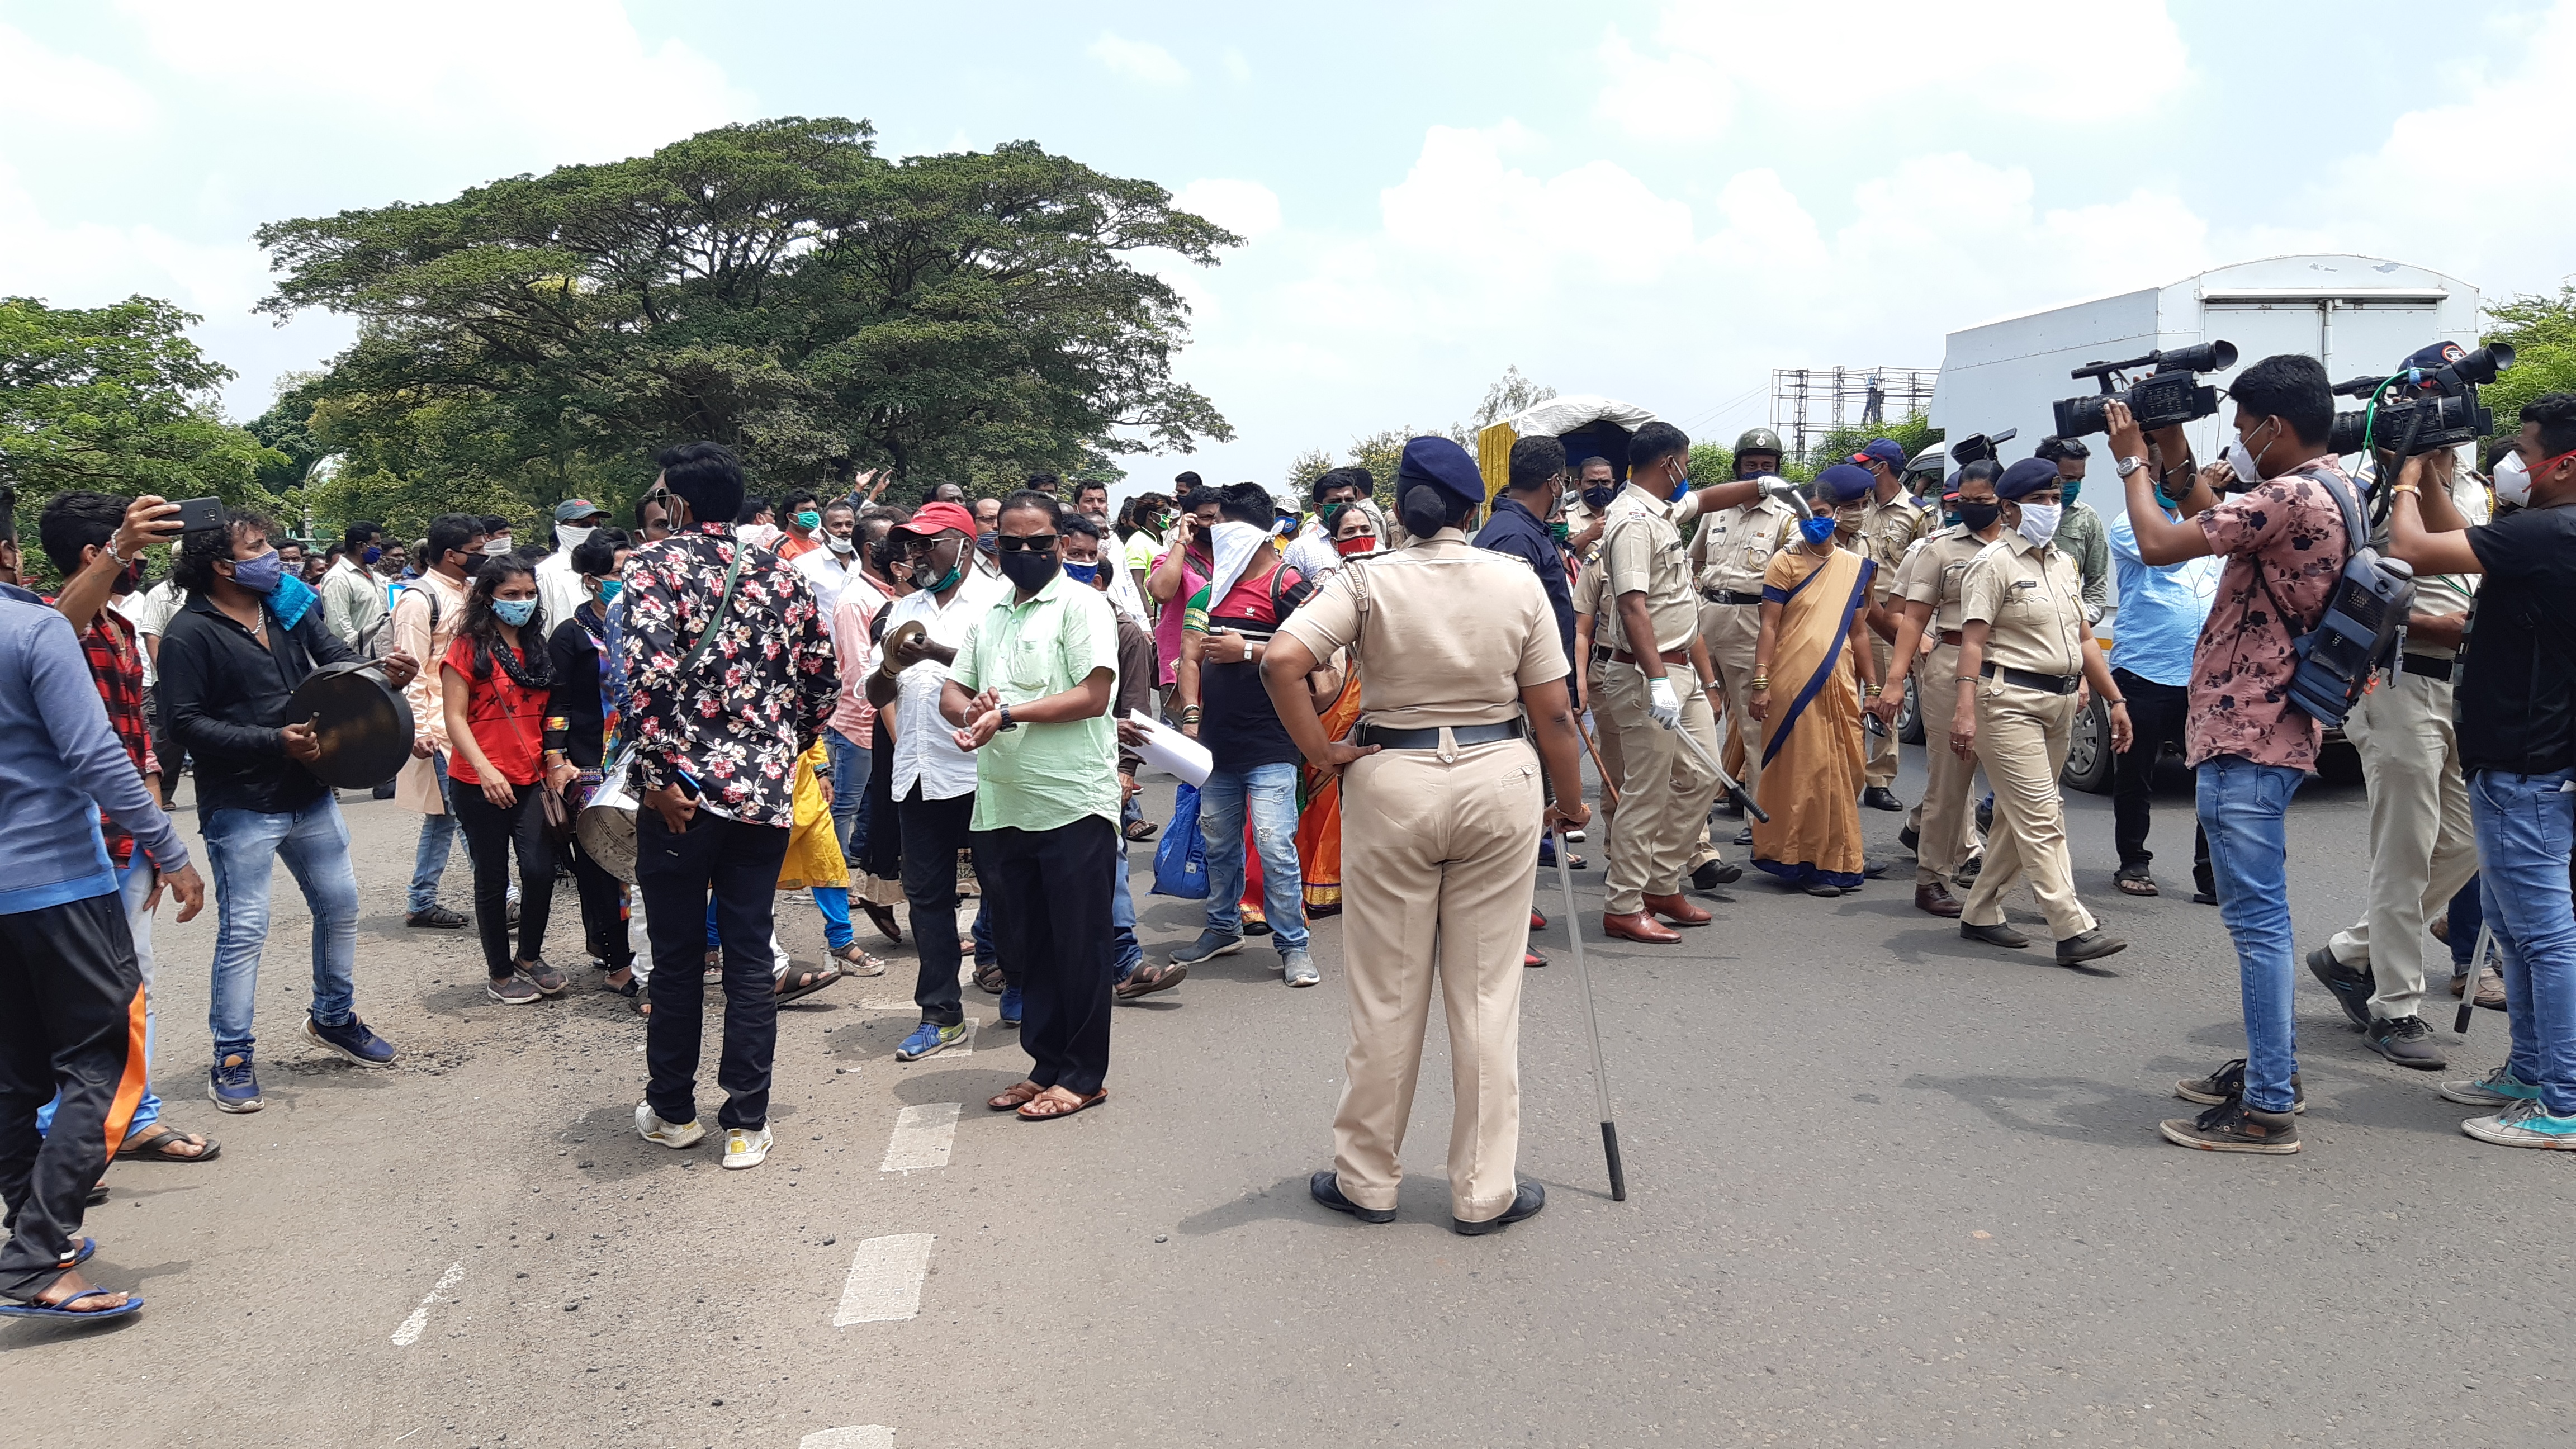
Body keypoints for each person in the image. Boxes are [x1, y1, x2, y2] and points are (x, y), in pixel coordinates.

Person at [1263, 435, 1588, 1235]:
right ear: (1474, 510)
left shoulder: (1365, 579)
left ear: (1399, 509)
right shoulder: (1514, 580)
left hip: (1391, 776)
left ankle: (1367, 1180)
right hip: (1497, 775)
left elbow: (1280, 659)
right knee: (1485, 998)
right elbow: (1552, 710)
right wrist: (1572, 803)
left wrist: (1321, 751)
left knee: (1386, 997)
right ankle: (1485, 1192)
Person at [2118, 358, 2352, 1154]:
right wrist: (2175, 445)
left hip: (2248, 728)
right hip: (2278, 726)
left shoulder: (2288, 495)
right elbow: (2216, 515)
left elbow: (2158, 543)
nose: (2241, 439)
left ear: (2273, 428)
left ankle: (2268, 1105)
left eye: (2244, 425)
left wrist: (2130, 461)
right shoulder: (2332, 487)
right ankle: (2270, 1070)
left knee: (2257, 923)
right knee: (2266, 920)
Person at [0, 542, 205, 1320]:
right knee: (101, 1064)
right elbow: (96, 756)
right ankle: (35, 1263)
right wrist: (171, 849)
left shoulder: (43, 623)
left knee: (16, 1071)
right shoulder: (36, 629)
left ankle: (33, 1237)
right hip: (57, 881)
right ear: (10, 551)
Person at [624, 442, 837, 1171]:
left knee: (679, 955)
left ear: (679, 506)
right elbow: (823, 680)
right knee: (750, 950)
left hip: (678, 795)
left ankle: (674, 1112)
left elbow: (645, 683)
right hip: (763, 793)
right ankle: (747, 1122)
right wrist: (778, 749)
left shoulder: (652, 568)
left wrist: (660, 775)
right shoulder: (785, 574)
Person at [159, 511, 414, 1111]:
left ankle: (333, 1018)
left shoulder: (285, 607)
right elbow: (184, 724)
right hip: (243, 804)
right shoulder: (187, 635)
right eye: (258, 546)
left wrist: (385, 673)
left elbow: (335, 665)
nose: (274, 554)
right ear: (223, 566)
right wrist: (273, 741)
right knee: (245, 930)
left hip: (310, 791)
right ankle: (232, 1054)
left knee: (341, 906)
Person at [2389, 392, 2576, 1148]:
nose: (2515, 463)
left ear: (2565, 464)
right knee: (2514, 927)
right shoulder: (2550, 534)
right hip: (2525, 759)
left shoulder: (2549, 532)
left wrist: (2403, 477)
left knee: (2542, 936)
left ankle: (2562, 1100)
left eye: (2527, 450)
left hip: (2527, 762)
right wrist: (2433, 468)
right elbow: (2457, 533)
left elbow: (2413, 546)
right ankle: (2527, 1074)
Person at [29, 492, 219, 1168]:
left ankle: (130, 1119)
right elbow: (61, 623)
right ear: (95, 554)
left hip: (130, 836)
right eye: (125, 547)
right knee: (72, 994)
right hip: (72, 841)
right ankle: (62, 1137)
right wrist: (121, 550)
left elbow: (138, 742)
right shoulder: (49, 625)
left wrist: (160, 839)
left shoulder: (120, 627)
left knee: (132, 982)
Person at [2305, 427, 2489, 1071]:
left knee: (2468, 843)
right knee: (2405, 853)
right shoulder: (2368, 495)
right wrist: (2422, 623)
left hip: (2467, 690)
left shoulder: (2474, 489)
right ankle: (2395, 1009)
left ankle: (2351, 952)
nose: (2456, 428)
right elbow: (2331, 591)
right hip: (2400, 682)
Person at [940, 491, 1123, 1119]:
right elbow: (954, 689)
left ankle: (1083, 1074)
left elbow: (1094, 694)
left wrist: (1007, 712)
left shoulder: (1083, 606)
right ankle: (1045, 1064)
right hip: (1002, 804)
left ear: (1059, 543)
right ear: (994, 547)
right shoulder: (992, 616)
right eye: (1009, 544)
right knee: (1029, 946)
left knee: (1080, 943)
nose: (1023, 553)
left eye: (1038, 543)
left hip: (1072, 801)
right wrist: (971, 711)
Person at [1948, 458, 2130, 965]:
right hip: (2007, 702)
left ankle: (1981, 911)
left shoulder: (2063, 564)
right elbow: (1972, 642)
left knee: (2016, 814)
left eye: (2055, 499)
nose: (2051, 508)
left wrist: (2114, 698)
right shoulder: (1993, 563)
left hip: (2062, 701)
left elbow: (2085, 638)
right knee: (2043, 815)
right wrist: (1964, 710)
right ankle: (2072, 927)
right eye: (2039, 501)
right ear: (2009, 509)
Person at [869, 500, 1009, 1063]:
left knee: (1005, 886)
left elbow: (1004, 681)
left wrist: (934, 652)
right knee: (927, 898)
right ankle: (940, 1012)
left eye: (930, 542)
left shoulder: (999, 605)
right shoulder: (902, 610)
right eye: (912, 544)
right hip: (920, 773)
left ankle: (1019, 981)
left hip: (984, 771)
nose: (917, 553)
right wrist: (891, 666)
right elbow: (874, 695)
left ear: (966, 545)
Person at [1172, 483, 1318, 986]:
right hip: (1217, 742)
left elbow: (1319, 652)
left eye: (1223, 528)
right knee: (1218, 842)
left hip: (1274, 739)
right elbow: (1190, 655)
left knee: (1275, 842)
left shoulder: (1289, 583)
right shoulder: (1210, 591)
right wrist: (1191, 719)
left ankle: (1293, 944)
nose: (1215, 537)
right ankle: (1222, 927)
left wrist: (1251, 651)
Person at [1595, 422, 1735, 945]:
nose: (1688, 473)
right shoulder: (1633, 521)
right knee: (1647, 792)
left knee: (1704, 775)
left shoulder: (1662, 511)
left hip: (1684, 667)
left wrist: (1767, 487)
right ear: (1667, 464)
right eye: (1685, 462)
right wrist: (1657, 682)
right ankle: (1624, 904)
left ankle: (1660, 882)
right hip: (1645, 671)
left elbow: (1706, 498)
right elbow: (1633, 606)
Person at [440, 552, 572, 1005]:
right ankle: (499, 974)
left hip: (532, 777)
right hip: (480, 782)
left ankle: (529, 958)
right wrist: (484, 769)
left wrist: (556, 762)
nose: (522, 602)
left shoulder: (538, 649)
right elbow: (454, 718)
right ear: (488, 598)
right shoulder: (466, 648)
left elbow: (555, 713)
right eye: (510, 595)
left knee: (538, 871)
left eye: (529, 594)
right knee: (493, 880)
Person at [1745, 465, 1881, 896]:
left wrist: (1874, 687)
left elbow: (1859, 632)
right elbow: (1770, 627)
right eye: (1807, 513)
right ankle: (1801, 859)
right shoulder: (1784, 563)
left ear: (1837, 514)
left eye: (1822, 511)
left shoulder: (1856, 566)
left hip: (1839, 679)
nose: (1814, 520)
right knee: (1807, 772)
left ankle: (1840, 856)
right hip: (1792, 678)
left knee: (1846, 769)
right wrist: (1761, 681)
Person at [1874, 465, 2002, 917]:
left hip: (2014, 670)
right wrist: (1896, 680)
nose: (1971, 507)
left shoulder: (2025, 550)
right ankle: (1933, 878)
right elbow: (1908, 617)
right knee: (1950, 781)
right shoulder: (1938, 549)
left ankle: (2016, 886)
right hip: (1949, 665)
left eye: (1983, 499)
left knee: (2025, 789)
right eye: (1962, 500)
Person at [2104, 437, 2219, 903]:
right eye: (2161, 471)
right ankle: (2133, 860)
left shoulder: (2212, 519)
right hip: (2145, 670)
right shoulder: (2127, 524)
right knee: (2136, 777)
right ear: (2148, 473)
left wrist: (2207, 498)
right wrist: (2206, 498)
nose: (2170, 478)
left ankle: (2211, 875)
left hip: (2203, 675)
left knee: (2212, 781)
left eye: (2179, 471)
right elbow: (2172, 552)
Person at [390, 513, 498, 931]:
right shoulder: (419, 601)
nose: (483, 557)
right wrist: (418, 728)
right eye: (476, 551)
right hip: (440, 728)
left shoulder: (469, 593)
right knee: (470, 815)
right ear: (452, 555)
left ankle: (421, 899)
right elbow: (411, 671)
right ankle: (501, 896)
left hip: (473, 723)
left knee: (444, 816)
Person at [546, 531, 640, 1005]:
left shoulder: (645, 621)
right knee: (605, 866)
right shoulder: (571, 635)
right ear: (591, 581)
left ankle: (642, 952)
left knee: (642, 862)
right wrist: (557, 758)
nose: (628, 580)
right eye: (619, 573)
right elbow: (556, 700)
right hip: (590, 763)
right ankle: (617, 960)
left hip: (637, 759)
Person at [1688, 432, 1800, 827]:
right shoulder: (1715, 510)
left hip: (1751, 623)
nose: (1758, 471)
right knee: (1695, 716)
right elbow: (1693, 561)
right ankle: (1692, 817)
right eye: (1751, 465)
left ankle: (1759, 824)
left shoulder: (1786, 517)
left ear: (1777, 469)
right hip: (1706, 619)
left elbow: (1793, 578)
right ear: (1739, 467)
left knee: (1755, 728)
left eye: (1766, 465)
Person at [1289, 503, 1379, 920]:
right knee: (1326, 793)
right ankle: (1321, 881)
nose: (1359, 536)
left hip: (1380, 697)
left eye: (1365, 528)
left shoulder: (1394, 576)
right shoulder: (1327, 587)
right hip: (1335, 693)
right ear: (1335, 541)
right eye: (1349, 531)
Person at [825, 509, 905, 942]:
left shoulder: (894, 596)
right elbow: (861, 674)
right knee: (850, 807)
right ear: (876, 551)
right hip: (865, 724)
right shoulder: (857, 601)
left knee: (881, 814)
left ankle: (879, 891)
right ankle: (842, 887)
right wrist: (893, 728)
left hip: (890, 725)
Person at [1850, 439, 1930, 812]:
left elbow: (1927, 570)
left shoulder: (1917, 514)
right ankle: (1847, 771)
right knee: (1845, 695)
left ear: (1882, 467)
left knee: (1884, 697)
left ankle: (1879, 779)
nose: (1861, 468)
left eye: (1868, 463)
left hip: (1886, 617)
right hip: (1848, 609)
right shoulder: (1853, 504)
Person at [2035, 437, 2111, 627]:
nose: (2075, 486)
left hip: (2069, 629)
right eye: (2067, 479)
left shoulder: (2087, 518)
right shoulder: (2017, 514)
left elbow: (2097, 583)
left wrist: (2083, 621)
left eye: (2080, 479)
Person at [1284, 467, 1380, 582]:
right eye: (1335, 502)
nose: (1344, 507)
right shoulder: (1300, 549)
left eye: (1350, 500)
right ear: (1318, 509)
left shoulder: (1372, 544)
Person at [534, 499, 610, 629]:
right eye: (584, 525)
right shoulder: (545, 573)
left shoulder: (610, 568)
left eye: (597, 525)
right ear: (561, 528)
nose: (593, 530)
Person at [320, 520, 391, 655]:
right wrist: (360, 653)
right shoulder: (338, 578)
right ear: (361, 546)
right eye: (376, 544)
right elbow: (340, 628)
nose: (380, 549)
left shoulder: (375, 577)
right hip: (357, 659)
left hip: (381, 655)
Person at [793, 498, 866, 623]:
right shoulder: (803, 565)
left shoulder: (866, 563)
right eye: (837, 525)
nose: (845, 530)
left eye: (849, 525)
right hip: (824, 640)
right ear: (823, 532)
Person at [773, 489, 825, 562]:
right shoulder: (779, 548)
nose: (812, 515)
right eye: (805, 510)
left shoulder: (818, 548)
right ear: (790, 516)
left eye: (815, 510)